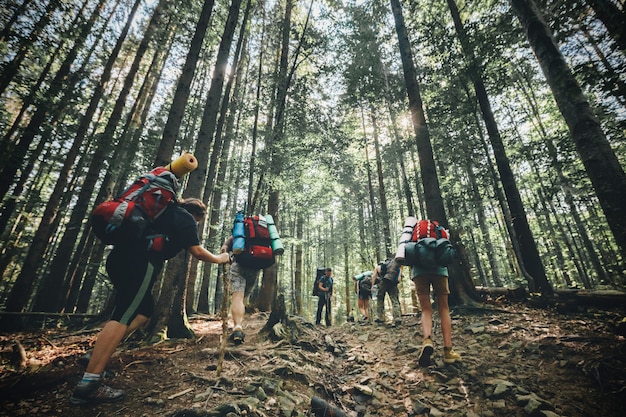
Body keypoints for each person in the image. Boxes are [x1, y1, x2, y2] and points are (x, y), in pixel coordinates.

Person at [70, 198, 230, 405]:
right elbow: (197, 251)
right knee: (123, 315)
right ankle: (89, 385)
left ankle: (96, 355)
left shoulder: (163, 213)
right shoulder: (185, 219)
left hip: (119, 259)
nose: (198, 223)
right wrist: (221, 259)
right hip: (140, 264)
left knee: (144, 311)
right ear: (196, 215)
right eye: (199, 219)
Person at [412, 253, 461, 366]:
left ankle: (427, 340)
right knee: (444, 309)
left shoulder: (410, 233)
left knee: (425, 309)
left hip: (419, 272)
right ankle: (448, 351)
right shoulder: (441, 233)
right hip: (440, 270)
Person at [220, 235, 263, 344]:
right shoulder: (261, 234)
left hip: (238, 266)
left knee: (237, 297)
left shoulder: (240, 231)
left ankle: (238, 327)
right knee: (243, 298)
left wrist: (226, 254)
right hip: (255, 269)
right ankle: (239, 323)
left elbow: (224, 248)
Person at [372, 258, 402, 327]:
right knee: (394, 300)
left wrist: (372, 286)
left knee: (380, 299)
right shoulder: (395, 267)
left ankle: (380, 317)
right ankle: (397, 318)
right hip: (392, 283)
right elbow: (399, 277)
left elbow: (374, 276)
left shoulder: (378, 267)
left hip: (383, 282)